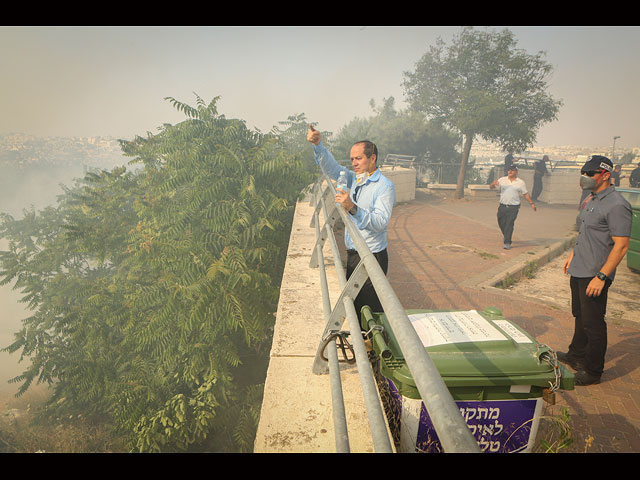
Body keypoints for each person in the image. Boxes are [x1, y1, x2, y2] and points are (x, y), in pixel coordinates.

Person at [307, 125, 396, 317]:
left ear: (372, 158)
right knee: (356, 306)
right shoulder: (356, 178)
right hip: (354, 253)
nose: (354, 163)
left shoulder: (384, 186)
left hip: (372, 255)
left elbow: (380, 222)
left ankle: (374, 344)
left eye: (359, 158)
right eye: (352, 159)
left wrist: (352, 208)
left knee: (370, 310)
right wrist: (318, 145)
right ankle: (363, 344)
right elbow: (333, 169)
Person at [559, 155, 632, 386]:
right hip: (580, 268)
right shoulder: (592, 199)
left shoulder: (617, 204)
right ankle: (576, 355)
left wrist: (602, 276)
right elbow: (586, 233)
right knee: (580, 316)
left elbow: (621, 246)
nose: (585, 177)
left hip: (594, 273)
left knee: (593, 323)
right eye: (584, 173)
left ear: (605, 175)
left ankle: (592, 370)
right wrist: (572, 254)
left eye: (590, 174)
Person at [490, 165, 536, 249]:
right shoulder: (502, 180)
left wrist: (531, 203)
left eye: (512, 170)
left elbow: (525, 193)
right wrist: (493, 184)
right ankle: (506, 235)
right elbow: (492, 187)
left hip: (514, 207)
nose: (510, 171)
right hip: (503, 205)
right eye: (509, 170)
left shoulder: (520, 182)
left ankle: (507, 242)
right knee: (501, 222)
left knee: (509, 224)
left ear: (516, 172)